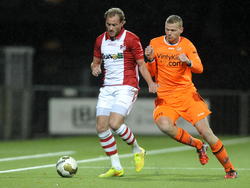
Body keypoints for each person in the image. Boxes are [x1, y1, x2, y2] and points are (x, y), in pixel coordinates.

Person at [145, 15, 238, 179]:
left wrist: (188, 61)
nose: (169, 33)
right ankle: (198, 145)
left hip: (187, 95)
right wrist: (150, 59)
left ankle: (230, 169)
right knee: (165, 126)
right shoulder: (155, 43)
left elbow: (199, 68)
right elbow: (151, 73)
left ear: (181, 30)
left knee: (206, 132)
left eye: (173, 30)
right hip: (166, 97)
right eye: (167, 29)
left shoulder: (187, 45)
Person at [90, 8, 158, 178]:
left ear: (122, 23)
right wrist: (95, 68)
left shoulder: (132, 39)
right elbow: (95, 62)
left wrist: (150, 83)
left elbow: (141, 64)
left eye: (114, 24)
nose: (111, 27)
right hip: (107, 88)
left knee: (114, 123)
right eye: (108, 24)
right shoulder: (100, 40)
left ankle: (137, 149)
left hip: (126, 86)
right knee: (101, 127)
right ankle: (116, 167)